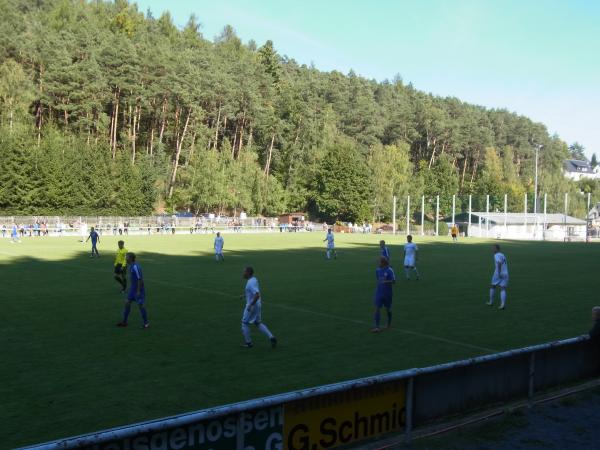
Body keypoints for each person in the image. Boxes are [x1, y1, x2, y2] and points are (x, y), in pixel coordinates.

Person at [240, 266, 276, 348]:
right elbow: (254, 291)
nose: (243, 273)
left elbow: (257, 295)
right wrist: (244, 295)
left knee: (244, 323)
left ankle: (248, 343)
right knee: (257, 323)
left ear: (248, 273)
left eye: (244, 272)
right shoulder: (254, 279)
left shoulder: (250, 283)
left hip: (252, 305)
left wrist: (250, 305)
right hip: (258, 305)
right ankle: (271, 337)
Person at [116, 253, 149, 329]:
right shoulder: (131, 266)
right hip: (132, 289)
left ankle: (146, 323)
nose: (125, 259)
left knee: (141, 306)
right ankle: (124, 322)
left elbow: (140, 279)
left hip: (138, 289)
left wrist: (138, 291)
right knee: (127, 302)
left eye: (126, 257)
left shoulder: (135, 267)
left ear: (130, 258)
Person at [371, 257, 396, 333]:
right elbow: (378, 279)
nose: (378, 263)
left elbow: (394, 281)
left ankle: (389, 323)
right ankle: (377, 327)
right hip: (379, 292)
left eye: (379, 262)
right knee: (377, 308)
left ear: (383, 263)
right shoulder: (377, 270)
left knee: (388, 309)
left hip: (387, 293)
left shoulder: (389, 270)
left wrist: (386, 281)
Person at [487, 244, 509, 310]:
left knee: (492, 286)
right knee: (502, 288)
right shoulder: (502, 254)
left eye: (493, 248)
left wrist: (499, 273)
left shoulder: (496, 255)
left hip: (498, 273)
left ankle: (491, 302)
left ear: (497, 249)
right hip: (506, 273)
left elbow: (499, 263)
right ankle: (502, 305)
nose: (492, 249)